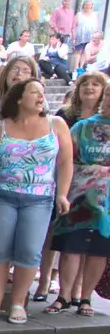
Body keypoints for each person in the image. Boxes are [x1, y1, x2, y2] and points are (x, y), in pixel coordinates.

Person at [0, 80, 71, 323]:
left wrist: (62, 194)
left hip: (40, 198)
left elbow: (65, 162)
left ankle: (18, 302)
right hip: (2, 196)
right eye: (35, 92)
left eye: (43, 93)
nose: (41, 96)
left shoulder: (57, 125)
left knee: (29, 251)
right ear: (20, 99)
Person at [50, 86, 110, 315]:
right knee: (71, 245)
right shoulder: (83, 126)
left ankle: (86, 298)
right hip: (79, 194)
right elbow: (65, 158)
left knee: (99, 249)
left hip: (108, 202)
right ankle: (63, 296)